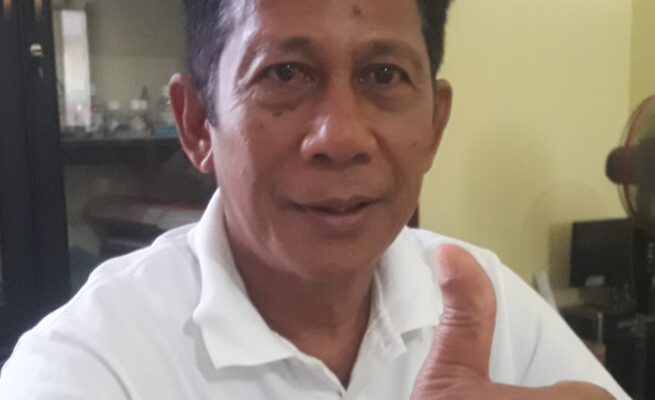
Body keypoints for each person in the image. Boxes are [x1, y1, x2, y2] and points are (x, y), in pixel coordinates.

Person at [0, 0, 630, 399]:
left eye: (383, 76)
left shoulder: (483, 304)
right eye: (285, 73)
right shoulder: (90, 365)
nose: (342, 138)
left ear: (436, 125)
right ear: (196, 124)